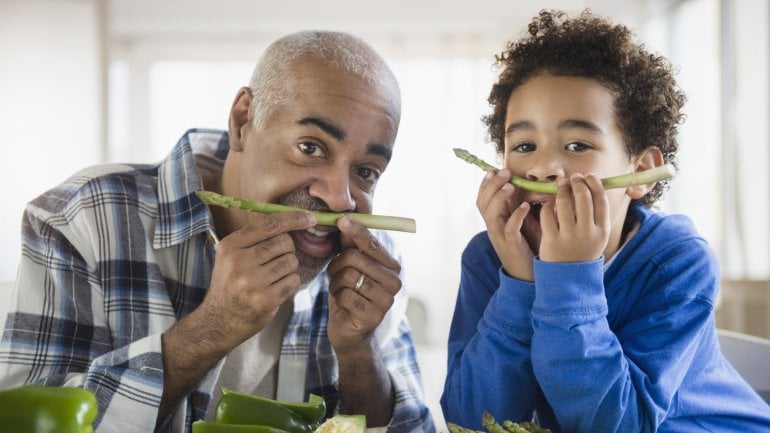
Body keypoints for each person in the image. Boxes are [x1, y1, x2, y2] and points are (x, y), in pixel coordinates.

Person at [0, 30, 435, 433]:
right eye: (310, 147)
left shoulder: (369, 264)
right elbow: (22, 418)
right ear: (243, 120)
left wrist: (359, 354)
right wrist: (213, 327)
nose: (341, 199)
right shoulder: (81, 216)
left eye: (366, 171)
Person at [440, 9, 770, 433]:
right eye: (523, 145)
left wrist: (568, 279)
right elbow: (472, 421)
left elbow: (617, 425)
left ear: (641, 172)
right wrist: (519, 284)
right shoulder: (490, 258)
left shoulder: (679, 262)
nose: (543, 169)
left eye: (577, 144)